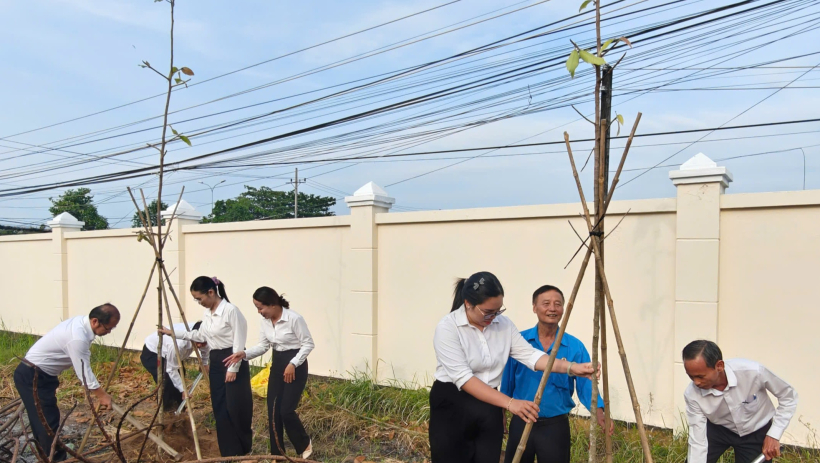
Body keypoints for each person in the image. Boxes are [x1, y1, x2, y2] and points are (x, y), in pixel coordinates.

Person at [430, 271, 597, 463]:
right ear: (468, 303)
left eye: (498, 310)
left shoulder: (503, 324)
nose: (494, 317)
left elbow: (530, 355)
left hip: (489, 404)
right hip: (453, 404)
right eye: (488, 312)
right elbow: (464, 379)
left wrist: (571, 368)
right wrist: (511, 403)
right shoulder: (448, 328)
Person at [501, 285, 612, 463]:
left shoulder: (575, 346)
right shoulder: (519, 342)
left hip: (555, 425)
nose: (552, 308)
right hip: (521, 422)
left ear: (564, 309)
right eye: (546, 303)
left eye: (557, 304)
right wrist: (502, 415)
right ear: (534, 307)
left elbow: (586, 385)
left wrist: (599, 412)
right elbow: (507, 384)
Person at [14, 304, 120, 461]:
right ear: (95, 321)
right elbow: (84, 371)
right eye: (108, 328)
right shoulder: (78, 337)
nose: (109, 332)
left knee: (45, 418)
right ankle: (54, 458)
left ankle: (49, 453)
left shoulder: (80, 324)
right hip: (33, 376)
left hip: (42, 375)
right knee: (46, 421)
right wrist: (102, 395)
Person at [160, 276, 252, 457]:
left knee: (236, 405)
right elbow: (200, 336)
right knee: (219, 406)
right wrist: (172, 332)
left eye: (199, 298)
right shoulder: (208, 314)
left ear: (211, 292)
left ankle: (244, 450)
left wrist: (233, 368)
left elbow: (239, 341)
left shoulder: (231, 311)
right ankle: (228, 453)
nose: (199, 302)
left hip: (232, 358)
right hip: (216, 359)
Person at [224, 286, 315, 459]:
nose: (259, 312)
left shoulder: (294, 319)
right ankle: (277, 455)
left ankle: (304, 443)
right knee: (273, 411)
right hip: (277, 363)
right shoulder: (265, 322)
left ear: (273, 304)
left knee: (286, 410)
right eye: (257, 308)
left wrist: (293, 364)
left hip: (295, 364)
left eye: (261, 307)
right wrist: (244, 354)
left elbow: (308, 344)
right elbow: (264, 346)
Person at [682, 340, 798, 463]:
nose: (696, 382)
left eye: (700, 376)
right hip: (718, 429)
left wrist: (774, 434)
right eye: (691, 376)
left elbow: (788, 397)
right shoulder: (692, 394)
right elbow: (697, 441)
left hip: (756, 429)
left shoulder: (754, 372)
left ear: (719, 366)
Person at [141, 321, 209, 411]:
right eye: (198, 342)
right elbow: (171, 369)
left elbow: (206, 348)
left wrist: (204, 363)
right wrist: (183, 390)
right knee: (166, 380)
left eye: (203, 343)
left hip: (169, 352)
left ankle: (179, 410)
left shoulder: (207, 333)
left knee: (180, 376)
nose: (200, 345)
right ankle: (167, 412)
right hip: (153, 352)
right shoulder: (178, 344)